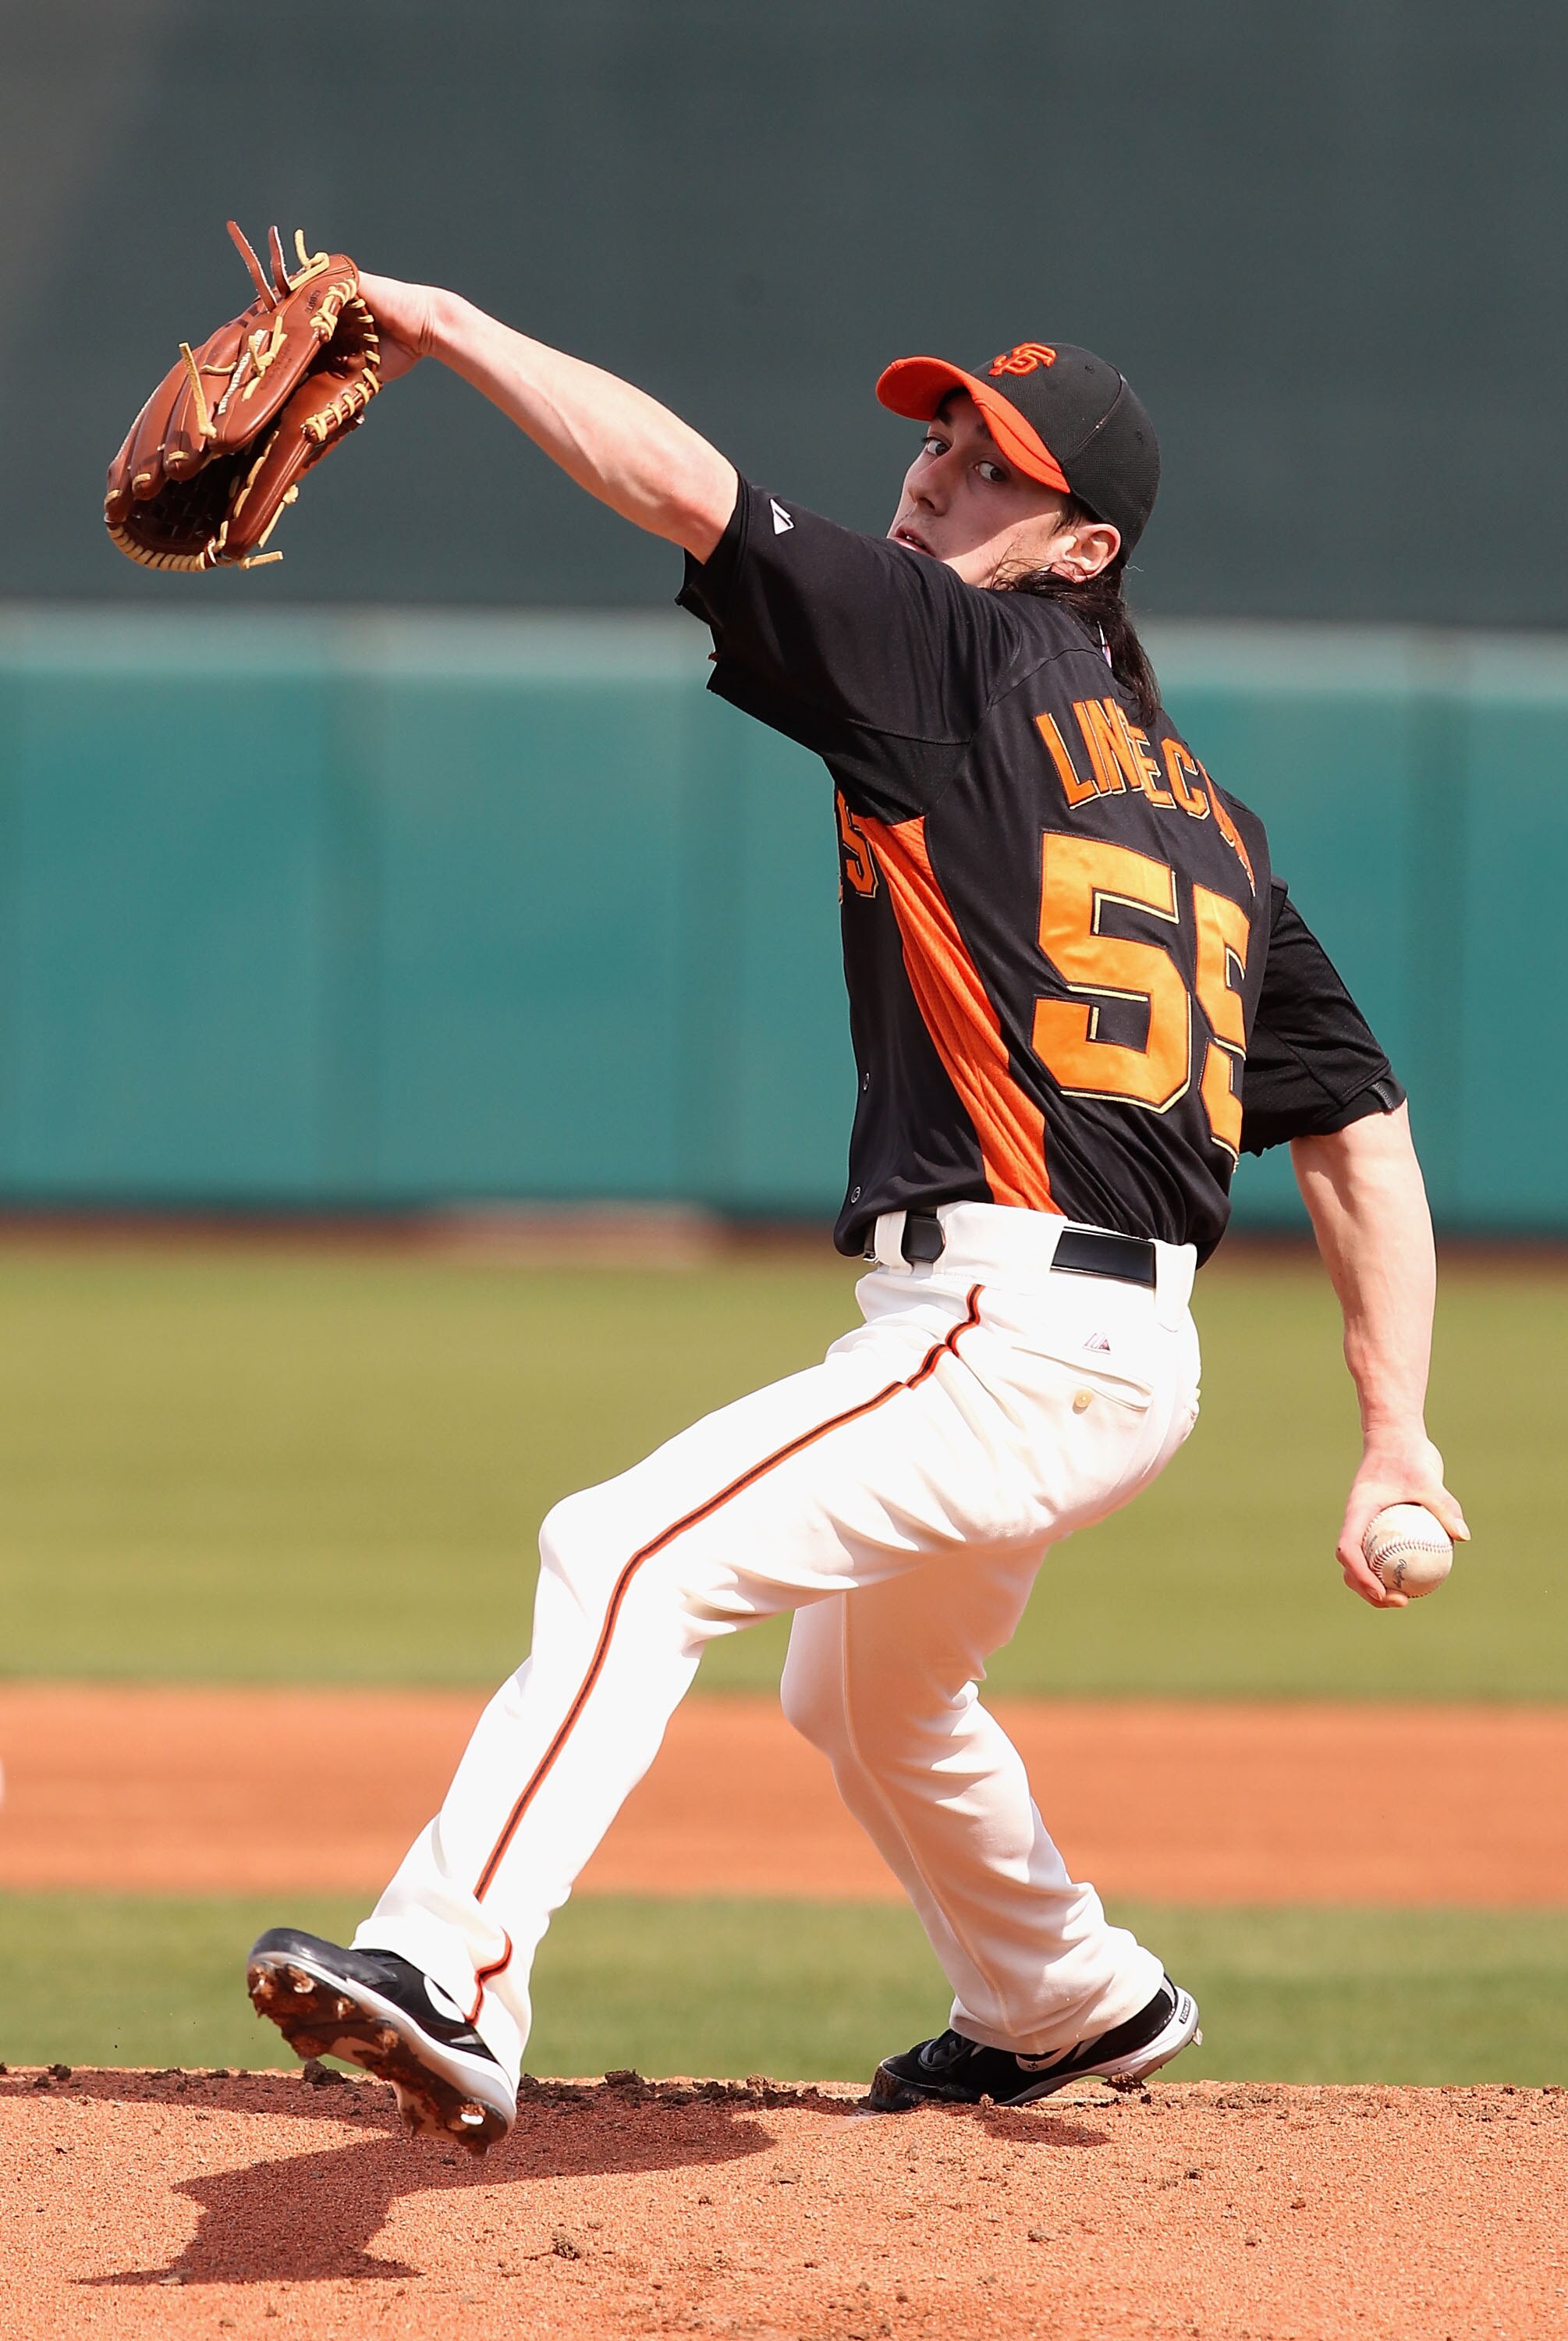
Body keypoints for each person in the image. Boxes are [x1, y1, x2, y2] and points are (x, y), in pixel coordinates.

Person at [247, 286, 1467, 2152]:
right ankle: (1063, 1995)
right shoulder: (1208, 818)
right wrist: (1398, 1438)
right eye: (937, 443)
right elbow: (1361, 1132)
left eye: (995, 476)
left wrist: (447, 327)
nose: (934, 484)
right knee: (871, 1690)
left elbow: (687, 492)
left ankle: (451, 1970)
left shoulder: (949, 655)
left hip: (1010, 1337)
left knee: (627, 1550)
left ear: (1082, 548)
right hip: (1107, 1352)